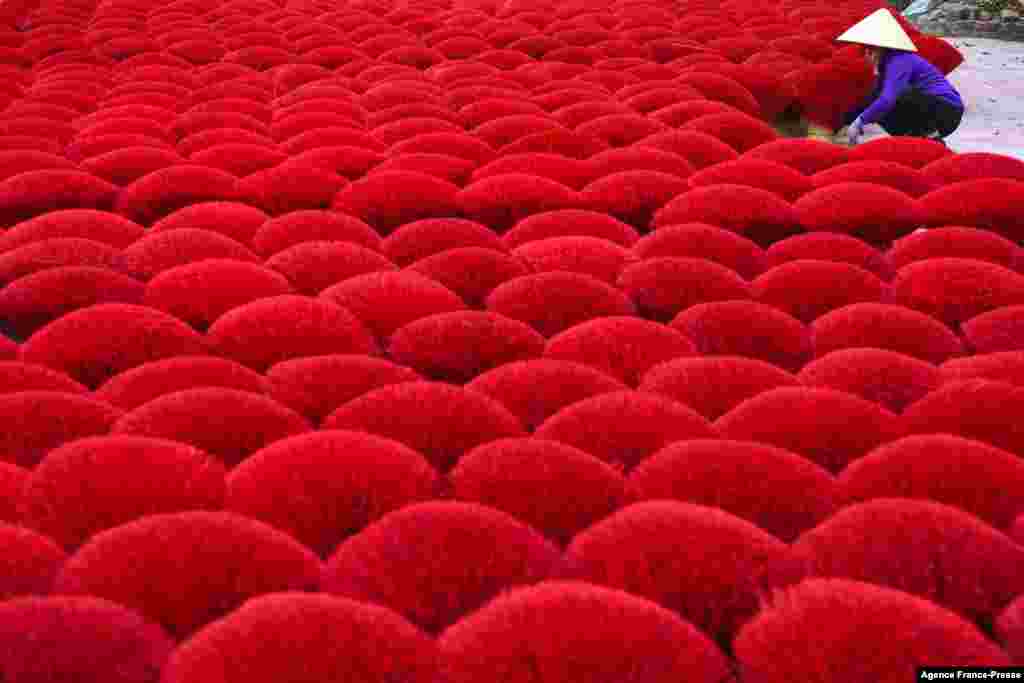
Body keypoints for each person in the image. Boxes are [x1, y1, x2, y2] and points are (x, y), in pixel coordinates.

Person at [836, 9, 965, 145]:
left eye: (870, 50)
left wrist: (860, 121)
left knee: (894, 98)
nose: (866, 54)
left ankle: (931, 138)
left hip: (947, 111)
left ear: (879, 48)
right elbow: (874, 100)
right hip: (932, 108)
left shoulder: (900, 60)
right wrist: (847, 120)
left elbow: (887, 99)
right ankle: (911, 139)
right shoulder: (886, 65)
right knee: (875, 101)